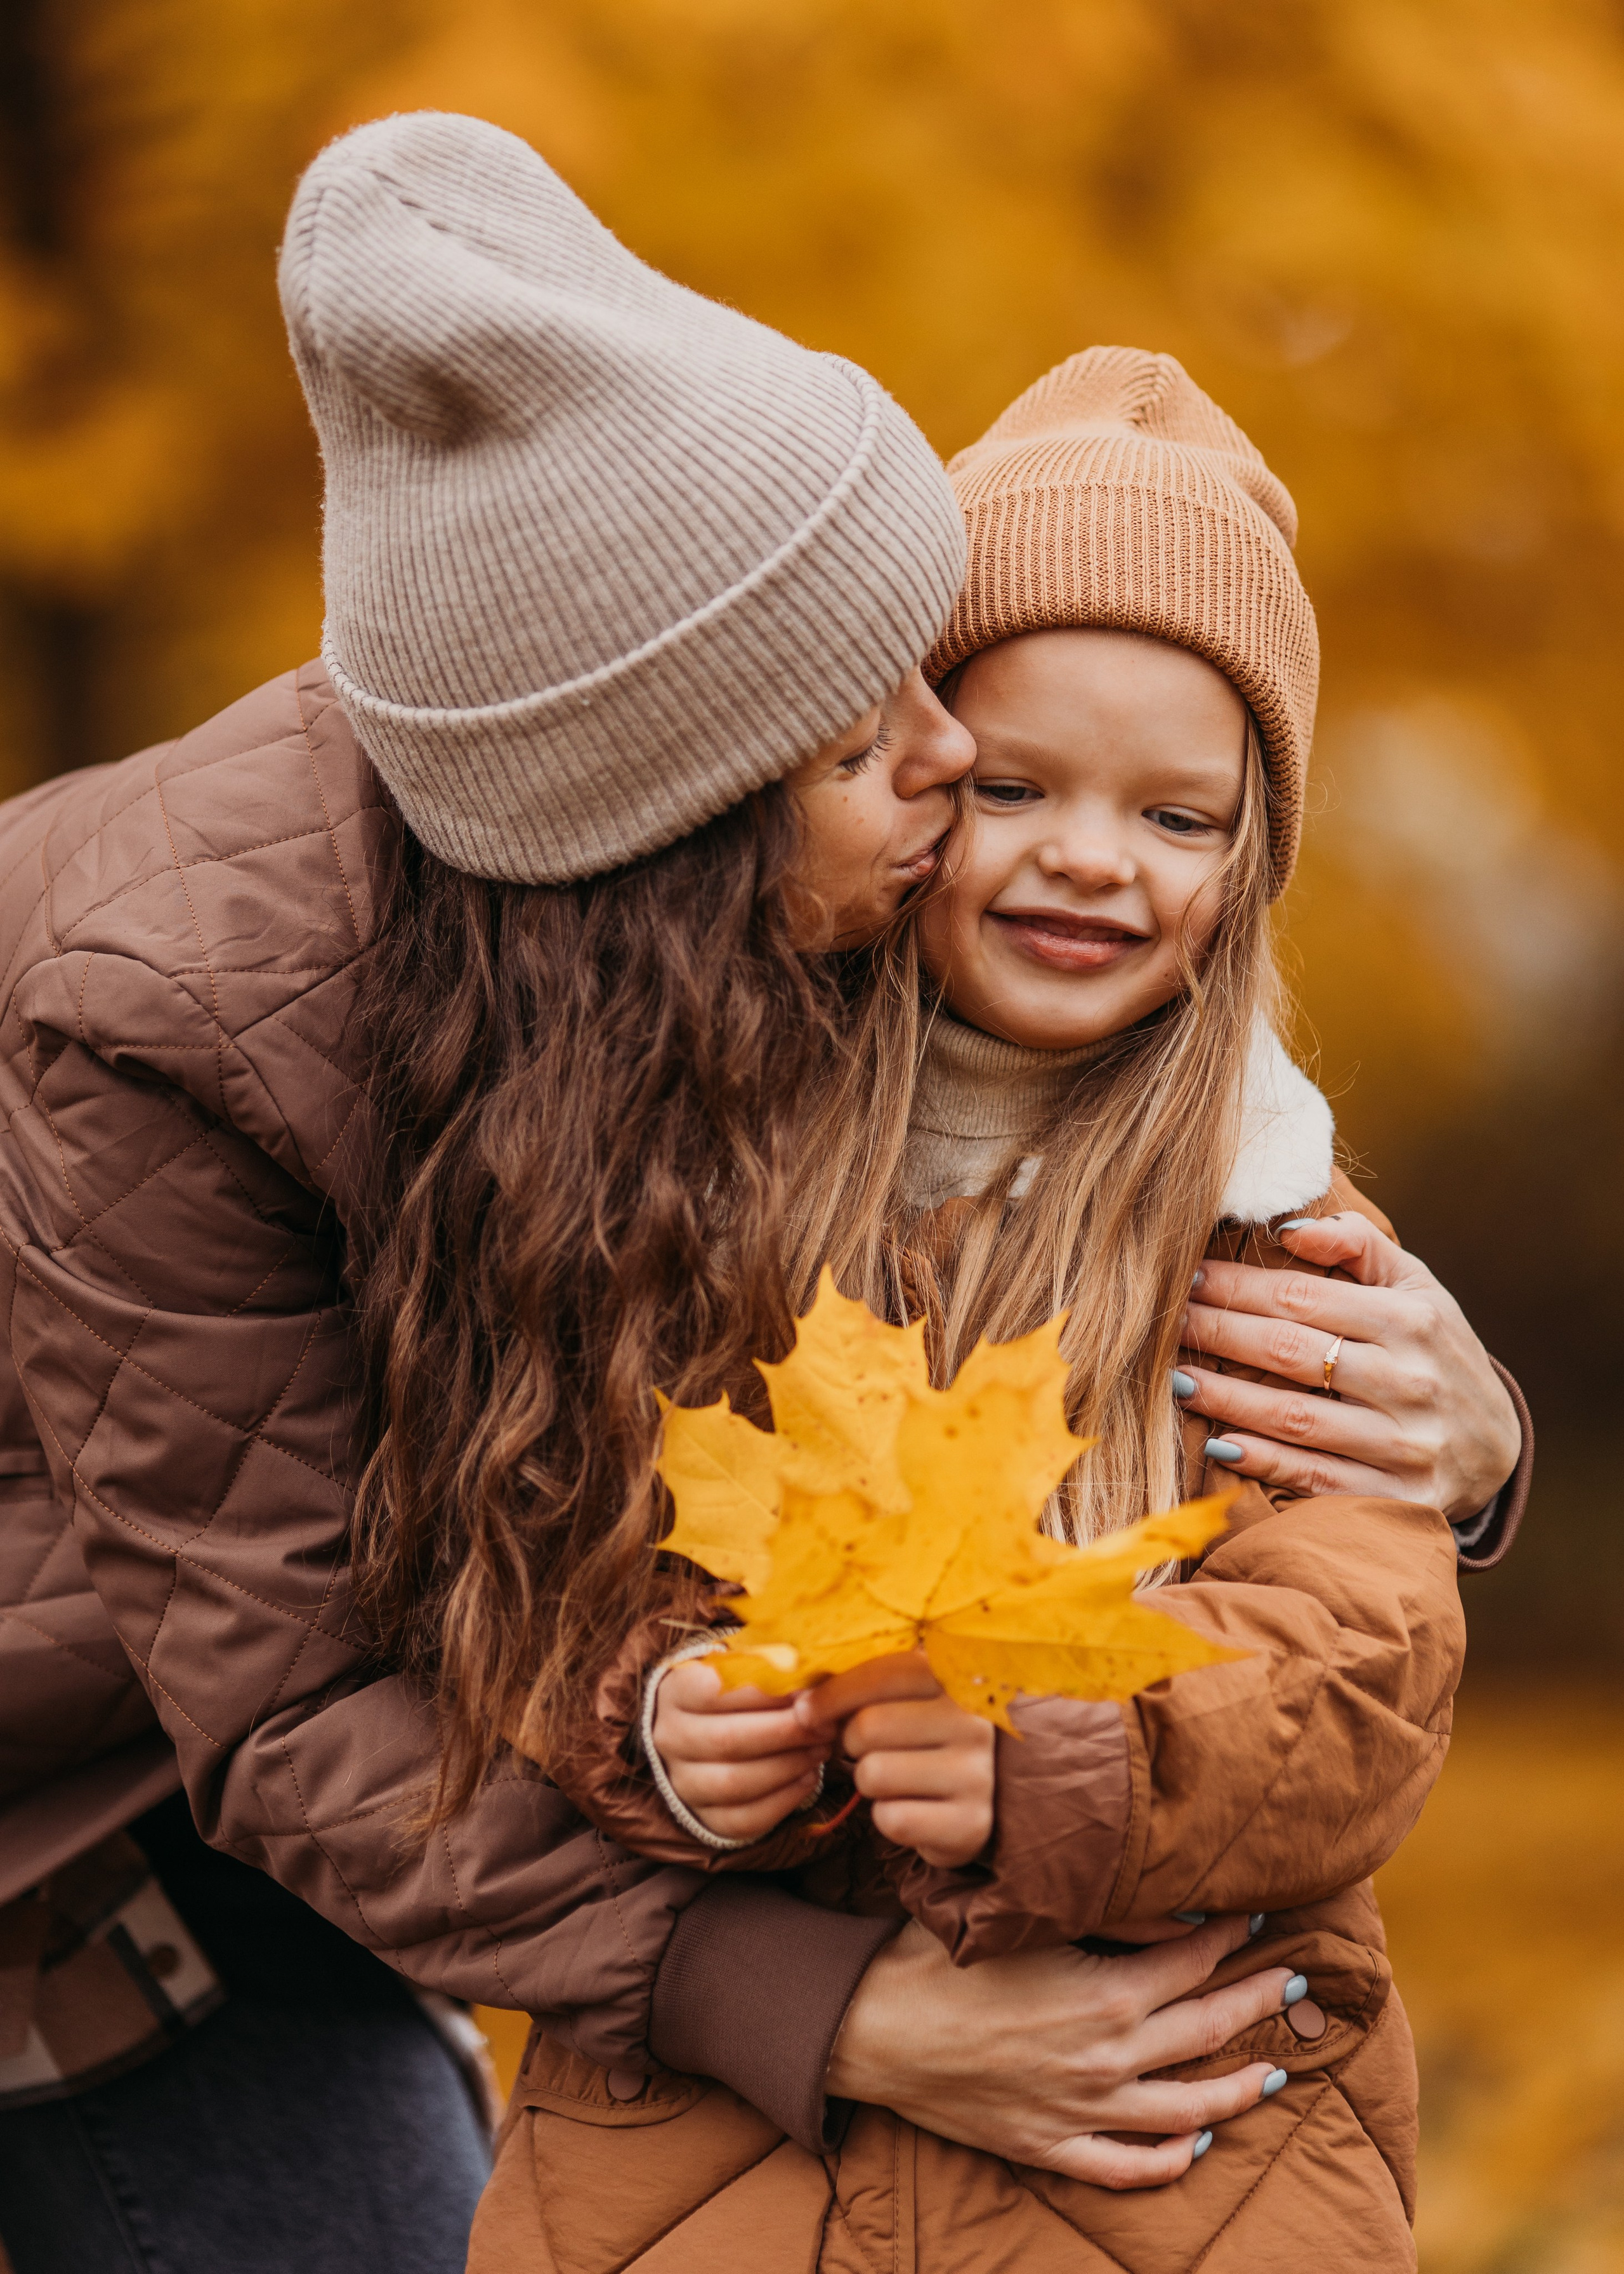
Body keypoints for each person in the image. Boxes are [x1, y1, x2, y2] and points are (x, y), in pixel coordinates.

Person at [0, 118, 1524, 2268]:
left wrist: (1459, 1431)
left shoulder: (758, 916)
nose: (963, 783)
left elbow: (1293, 1489)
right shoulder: (160, 1020)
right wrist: (829, 1992)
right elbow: (333, 1679)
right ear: (680, 842)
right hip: (105, 1792)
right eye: (886, 737)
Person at [534, 349, 1528, 2271]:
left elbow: (1365, 1673)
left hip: (1182, 2157)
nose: (1093, 857)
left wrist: (1065, 1751)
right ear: (902, 786)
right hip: (717, 2174)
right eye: (1015, 788)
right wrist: (653, 1722)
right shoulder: (702, 1186)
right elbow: (556, 1565)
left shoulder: (1280, 1247)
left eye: (1178, 819)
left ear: (1247, 866)